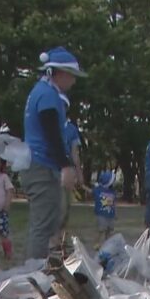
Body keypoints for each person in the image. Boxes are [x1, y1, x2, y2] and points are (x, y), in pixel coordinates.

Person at [21, 46, 86, 259]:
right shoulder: (48, 95)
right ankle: (34, 274)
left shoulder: (40, 92)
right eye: (72, 76)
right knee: (43, 225)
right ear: (61, 73)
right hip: (42, 166)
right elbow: (52, 135)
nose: (74, 82)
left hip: (38, 164)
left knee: (45, 222)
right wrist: (66, 166)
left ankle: (39, 270)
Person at [58, 93, 84, 235]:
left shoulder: (71, 129)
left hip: (66, 169)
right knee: (57, 206)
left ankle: (59, 237)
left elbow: (75, 153)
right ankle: (52, 240)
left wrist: (79, 173)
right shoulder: (46, 125)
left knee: (66, 206)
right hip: (49, 168)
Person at [92, 171, 117, 248]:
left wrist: (115, 213)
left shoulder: (113, 192)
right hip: (101, 215)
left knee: (109, 231)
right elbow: (91, 191)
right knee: (100, 230)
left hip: (110, 215)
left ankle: (107, 244)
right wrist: (82, 186)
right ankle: (96, 243)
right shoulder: (98, 190)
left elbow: (113, 204)